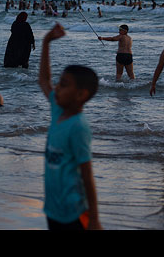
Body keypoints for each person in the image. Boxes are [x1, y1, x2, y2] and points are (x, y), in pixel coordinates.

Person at [39, 23, 102, 230]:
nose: (57, 87)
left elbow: (87, 174)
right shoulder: (58, 110)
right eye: (59, 82)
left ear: (81, 95)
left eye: (64, 85)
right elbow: (43, 80)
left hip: (74, 212)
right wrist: (46, 42)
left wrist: (93, 218)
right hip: (53, 208)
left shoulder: (78, 127)